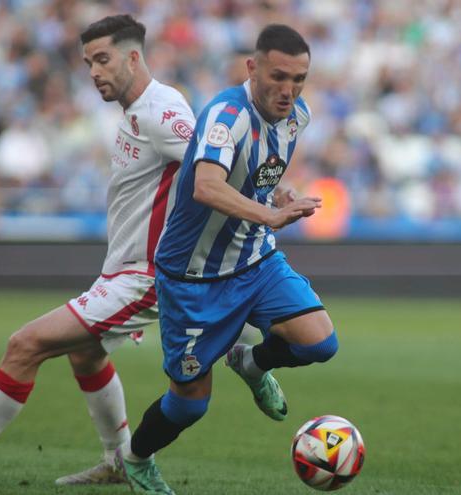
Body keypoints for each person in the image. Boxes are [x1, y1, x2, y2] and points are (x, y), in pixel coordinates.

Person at [0, 14, 195, 490]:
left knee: (24, 344)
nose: (93, 71)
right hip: (123, 271)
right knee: (86, 355)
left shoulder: (160, 109)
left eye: (104, 59)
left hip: (146, 275)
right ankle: (117, 461)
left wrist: (264, 205)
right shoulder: (137, 112)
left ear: (134, 56)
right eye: (89, 61)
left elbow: (211, 170)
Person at [121, 24, 338, 494]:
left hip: (255, 261)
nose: (289, 89)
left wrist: (278, 192)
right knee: (189, 405)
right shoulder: (226, 114)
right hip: (193, 278)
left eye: (299, 78)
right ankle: (135, 459)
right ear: (252, 67)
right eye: (279, 76)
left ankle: (252, 364)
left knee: (320, 342)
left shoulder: (296, 117)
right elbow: (207, 186)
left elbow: (258, 174)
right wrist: (273, 214)